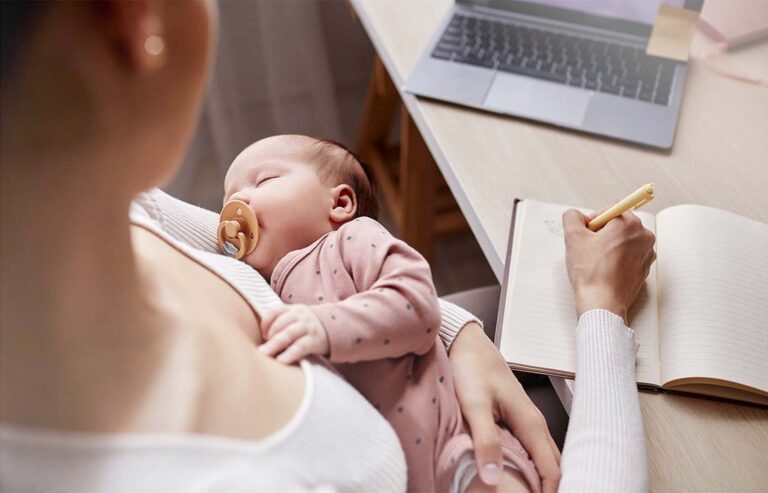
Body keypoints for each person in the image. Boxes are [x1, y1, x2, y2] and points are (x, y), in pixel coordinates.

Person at [0, 1, 654, 492]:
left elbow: (385, 283)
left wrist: (457, 334)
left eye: (261, 181)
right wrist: (600, 308)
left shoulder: (121, 208)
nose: (237, 206)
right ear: (137, 28)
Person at [221, 134, 541, 492]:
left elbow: (416, 305)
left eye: (263, 181)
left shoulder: (350, 241)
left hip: (456, 446)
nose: (237, 201)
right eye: (227, 198)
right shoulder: (261, 288)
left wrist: (324, 326)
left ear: (341, 203)